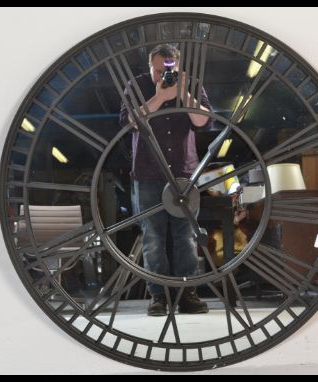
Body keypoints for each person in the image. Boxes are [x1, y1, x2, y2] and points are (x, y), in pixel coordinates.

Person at [119, 44, 212, 316]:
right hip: (148, 174)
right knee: (153, 238)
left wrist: (182, 92)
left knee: (186, 238)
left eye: (169, 70)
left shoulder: (191, 85)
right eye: (158, 71)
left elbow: (202, 122)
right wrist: (160, 97)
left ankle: (187, 295)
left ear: (179, 67)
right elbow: (129, 122)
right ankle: (158, 297)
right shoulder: (135, 86)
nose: (163, 76)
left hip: (184, 174)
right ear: (150, 66)